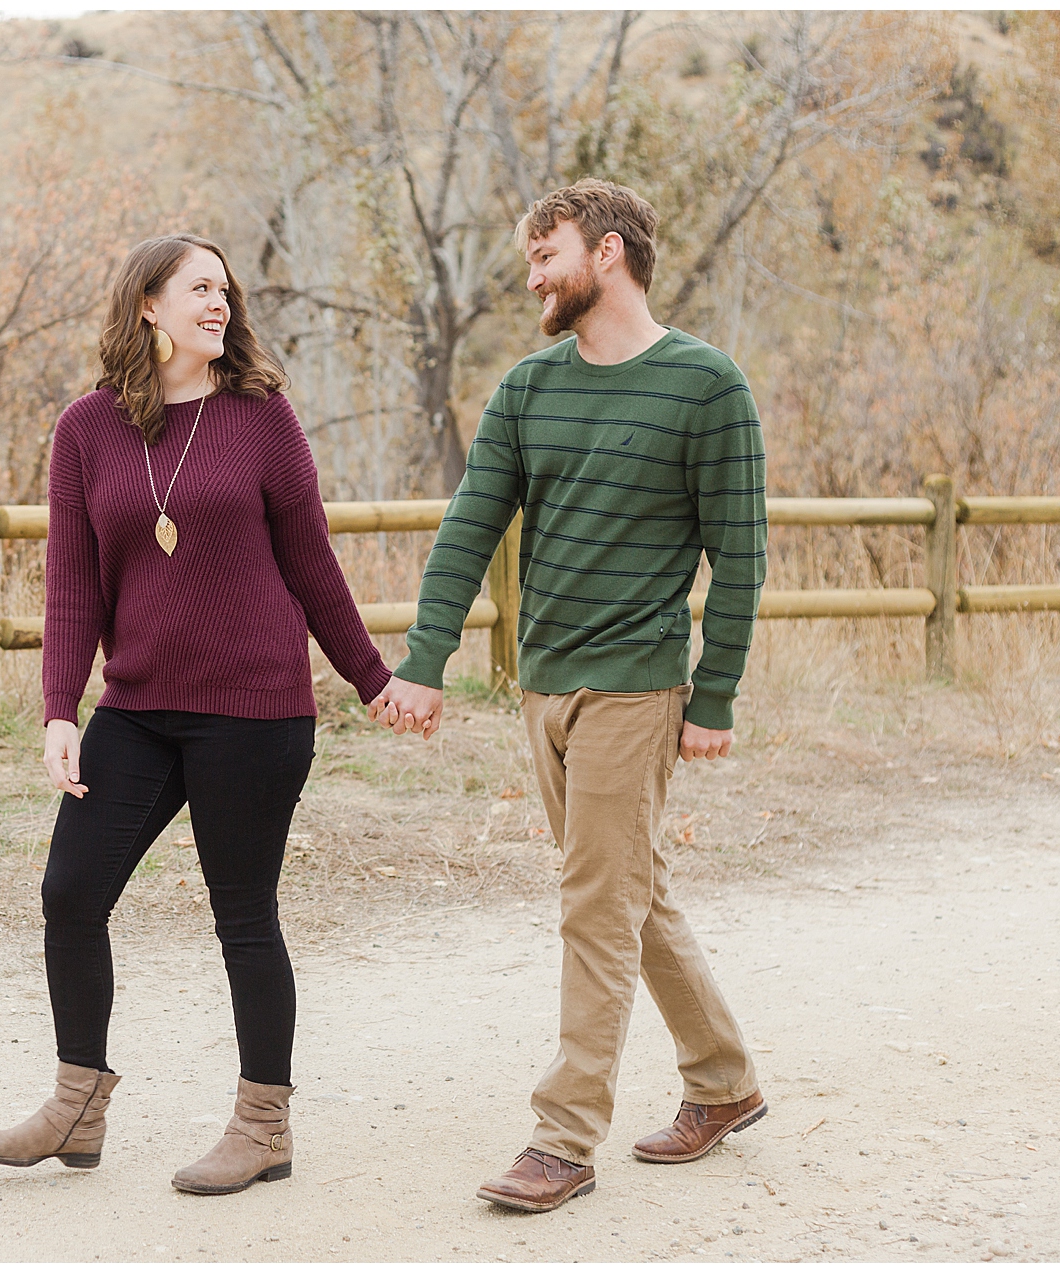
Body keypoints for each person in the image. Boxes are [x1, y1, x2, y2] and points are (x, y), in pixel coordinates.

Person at [0, 234, 401, 1195]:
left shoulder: (261, 418)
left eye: (225, 289)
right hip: (137, 708)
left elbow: (312, 562)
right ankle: (77, 1102)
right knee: (71, 890)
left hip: (254, 711)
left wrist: (371, 678)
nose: (220, 302)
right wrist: (57, 707)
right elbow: (72, 582)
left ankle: (262, 1125)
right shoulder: (85, 429)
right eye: (199, 287)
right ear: (149, 308)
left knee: (244, 916)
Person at [370, 178, 770, 1212]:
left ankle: (562, 1137)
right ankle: (723, 1083)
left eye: (545, 254)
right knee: (628, 892)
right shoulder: (527, 388)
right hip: (542, 686)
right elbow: (469, 527)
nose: (532, 275)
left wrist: (712, 693)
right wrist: (424, 658)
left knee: (594, 905)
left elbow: (741, 554)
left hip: (637, 685)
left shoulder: (706, 385)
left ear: (607, 252)